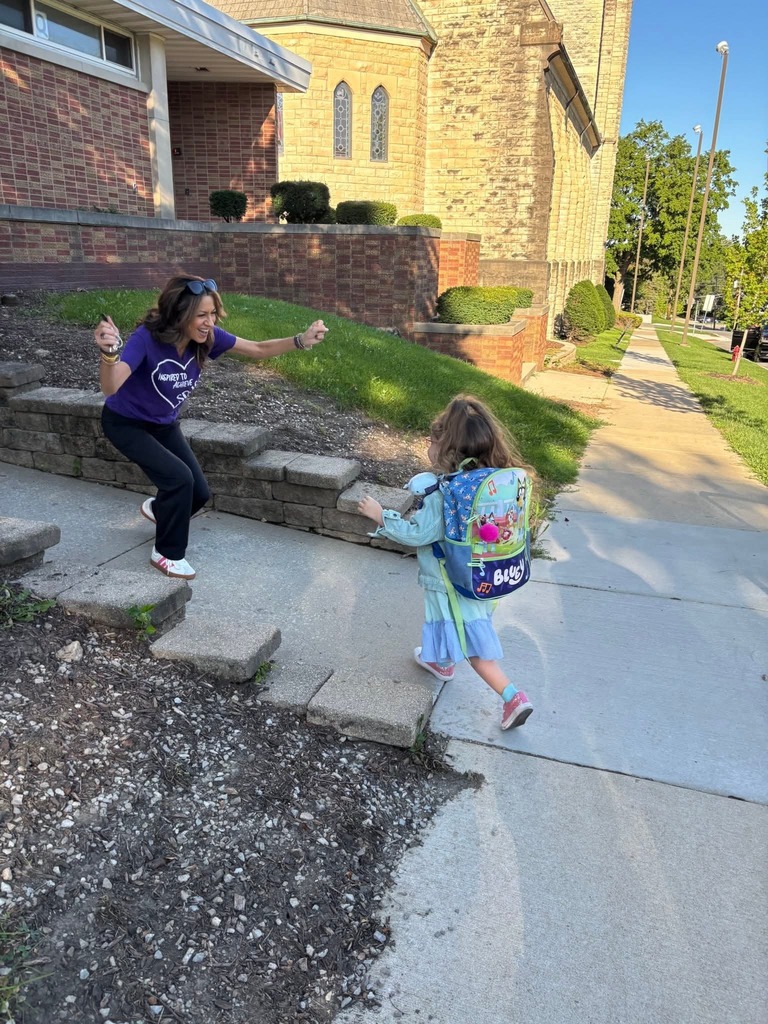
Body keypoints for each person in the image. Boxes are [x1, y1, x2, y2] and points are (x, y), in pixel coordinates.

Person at [94, 275, 328, 581]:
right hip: (126, 423)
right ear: (179, 315)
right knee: (179, 480)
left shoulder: (207, 338)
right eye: (201, 315)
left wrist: (300, 340)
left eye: (212, 314)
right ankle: (167, 553)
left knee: (199, 492)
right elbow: (111, 388)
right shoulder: (145, 339)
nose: (209, 322)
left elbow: (257, 348)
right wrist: (109, 354)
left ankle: (160, 511)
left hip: (163, 424)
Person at [357, 395, 533, 730]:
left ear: (446, 448)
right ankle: (439, 662)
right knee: (460, 623)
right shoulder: (491, 482)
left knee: (472, 644)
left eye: (432, 440)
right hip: (485, 575)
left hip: (449, 581)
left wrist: (382, 516)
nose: (429, 445)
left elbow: (417, 534)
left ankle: (512, 697)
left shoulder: (445, 493)